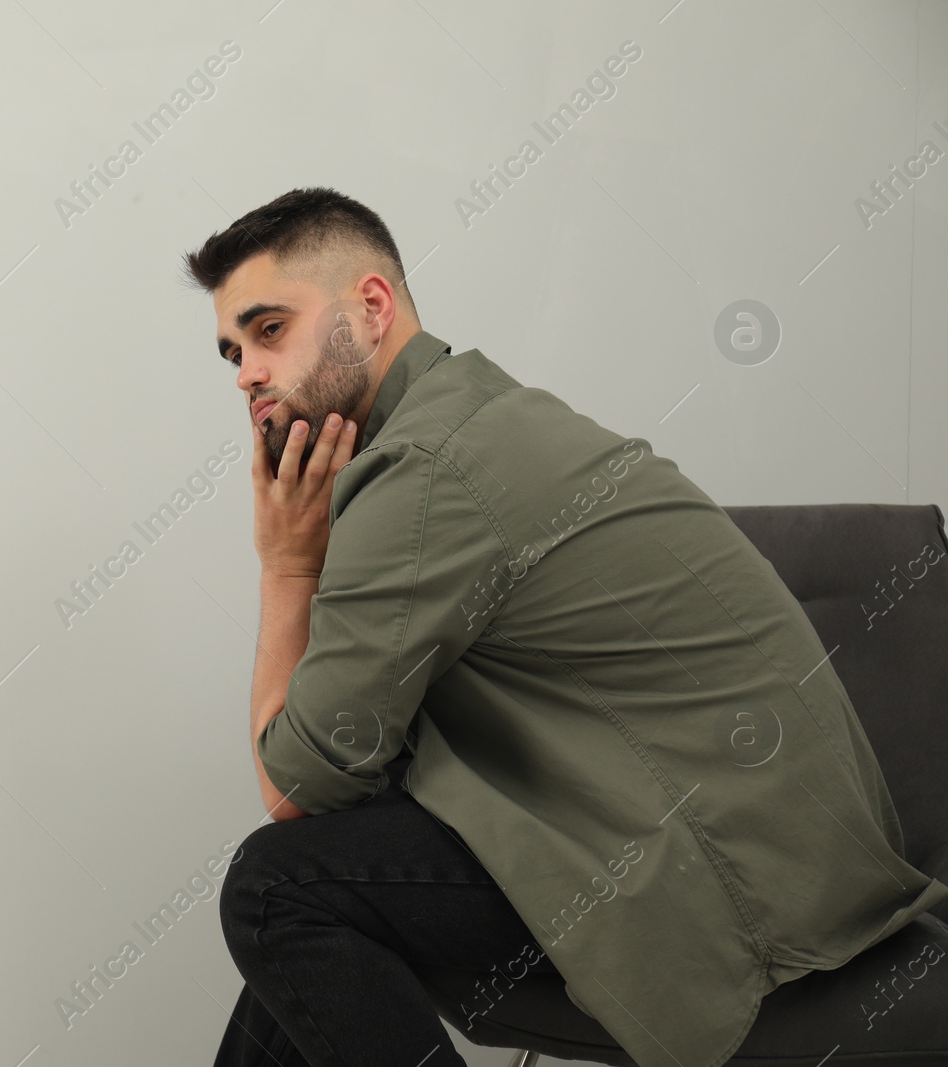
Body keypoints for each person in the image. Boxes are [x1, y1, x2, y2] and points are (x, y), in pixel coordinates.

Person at [180, 187, 948, 1067]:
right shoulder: (467, 415)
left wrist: (285, 565)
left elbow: (297, 790)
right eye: (232, 350)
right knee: (319, 902)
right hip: (733, 844)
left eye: (269, 329)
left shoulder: (421, 470)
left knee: (278, 892)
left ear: (372, 304)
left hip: (724, 886)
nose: (245, 373)